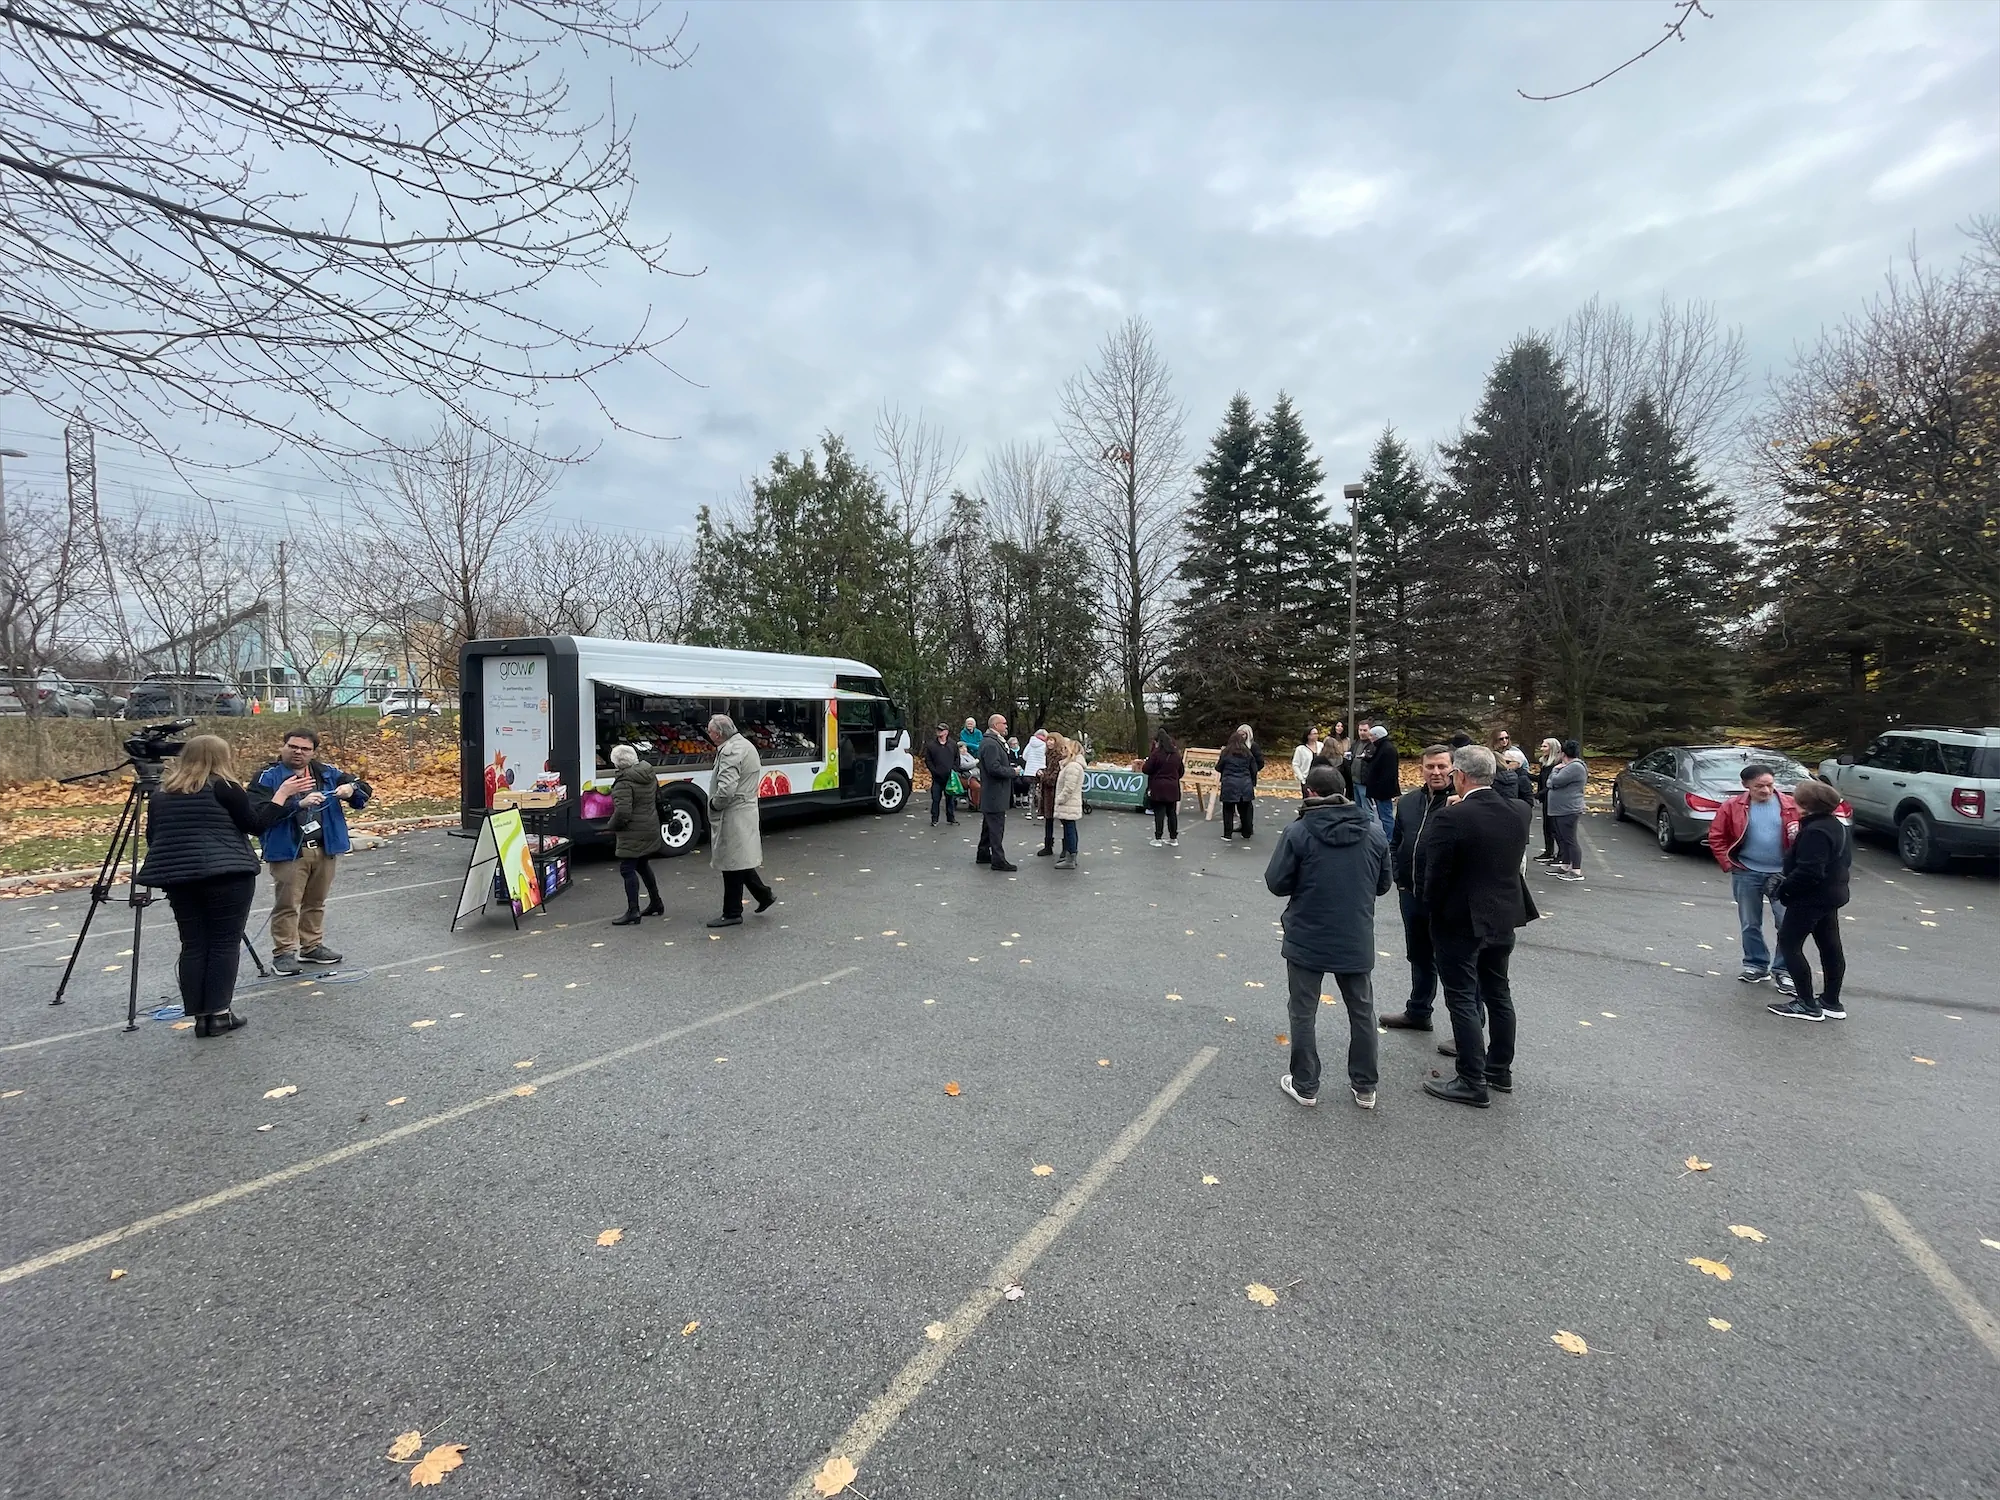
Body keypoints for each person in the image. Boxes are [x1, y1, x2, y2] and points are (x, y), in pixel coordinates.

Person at [137, 735, 312, 1037]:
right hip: (227, 874)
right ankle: (219, 1013)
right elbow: (255, 825)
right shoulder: (225, 787)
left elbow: (154, 837)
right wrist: (282, 795)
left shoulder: (163, 793)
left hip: (179, 877)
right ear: (222, 757)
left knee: (193, 944)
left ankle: (200, 1016)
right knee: (223, 943)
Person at [1263, 764, 1392, 1110]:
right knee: (1361, 1011)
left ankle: (1305, 1084)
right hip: (1355, 934)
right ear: (1344, 792)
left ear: (1309, 793)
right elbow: (1383, 885)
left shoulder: (1298, 831)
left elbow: (1277, 882)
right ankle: (1365, 1085)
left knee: (1303, 1011)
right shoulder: (1373, 832)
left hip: (1308, 933)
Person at [1419, 745, 1536, 1107]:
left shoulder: (1450, 818)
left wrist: (1430, 910)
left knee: (1462, 997)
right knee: (1498, 992)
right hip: (1503, 916)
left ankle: (1471, 1079)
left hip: (1460, 919)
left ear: (1461, 776)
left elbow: (1435, 875)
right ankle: (1499, 1069)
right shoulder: (1519, 811)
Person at [248, 727, 372, 975]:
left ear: (313, 752)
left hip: (325, 847)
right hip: (288, 851)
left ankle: (311, 946)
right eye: (293, 747)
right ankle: (284, 953)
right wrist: (297, 803)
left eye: (305, 749)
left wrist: (351, 790)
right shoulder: (267, 777)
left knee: (316, 901)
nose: (298, 752)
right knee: (287, 904)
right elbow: (258, 815)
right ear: (283, 747)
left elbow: (363, 788)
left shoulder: (326, 772)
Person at [1707, 762, 1801, 995]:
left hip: (1783, 874)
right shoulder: (1732, 806)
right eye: (1759, 786)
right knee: (1750, 922)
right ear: (1746, 785)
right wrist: (1729, 864)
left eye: (1770, 785)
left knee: (1787, 923)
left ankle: (1784, 970)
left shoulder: (1790, 805)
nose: (1766, 790)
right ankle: (1756, 965)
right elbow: (1717, 836)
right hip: (1747, 871)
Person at [1380, 745, 1455, 1032]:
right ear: (1421, 769)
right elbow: (1396, 841)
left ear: (1453, 769)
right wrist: (1398, 877)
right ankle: (1419, 1011)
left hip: (1446, 899)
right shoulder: (1409, 802)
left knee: (1454, 963)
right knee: (1419, 956)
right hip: (1411, 893)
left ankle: (1467, 1033)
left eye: (1442, 766)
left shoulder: (1460, 804)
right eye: (1430, 767)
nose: (1436, 772)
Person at [1768, 778, 1851, 1022]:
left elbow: (1810, 871)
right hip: (1832, 894)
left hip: (1811, 897)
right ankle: (1831, 1001)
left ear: (1804, 805)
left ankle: (1806, 1003)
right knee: (1830, 946)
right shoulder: (1836, 825)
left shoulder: (1815, 831)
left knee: (1789, 943)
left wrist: (1785, 889)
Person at [704, 714, 775, 927]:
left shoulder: (730, 751)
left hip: (733, 813)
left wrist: (714, 804)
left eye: (710, 731)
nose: (708, 734)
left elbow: (726, 789)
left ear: (718, 734)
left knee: (731, 863)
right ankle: (763, 894)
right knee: (739, 858)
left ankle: (732, 912)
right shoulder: (745, 745)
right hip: (745, 810)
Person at [606, 744, 665, 926]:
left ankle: (633, 911)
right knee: (642, 864)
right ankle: (656, 902)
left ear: (617, 763)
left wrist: (611, 826)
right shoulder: (648, 773)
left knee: (627, 869)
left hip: (633, 831)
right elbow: (657, 797)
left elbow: (623, 813)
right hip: (650, 826)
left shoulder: (623, 783)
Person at [975, 712, 1018, 871]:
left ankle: (983, 853)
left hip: (993, 793)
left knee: (989, 825)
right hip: (994, 793)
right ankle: (998, 860)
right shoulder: (991, 744)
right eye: (1004, 723)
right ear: (995, 725)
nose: (1006, 726)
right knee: (996, 828)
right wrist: (1012, 772)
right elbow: (993, 768)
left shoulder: (993, 742)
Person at [1543, 740, 1587, 881]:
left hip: (1568, 809)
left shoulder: (1574, 767)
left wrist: (1555, 770)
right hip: (1561, 809)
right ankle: (1565, 865)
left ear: (1563, 753)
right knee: (1563, 838)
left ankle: (1576, 870)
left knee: (1569, 839)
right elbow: (1551, 783)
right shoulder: (1569, 767)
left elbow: (1553, 782)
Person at [1141, 728, 1185, 848]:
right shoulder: (1176, 755)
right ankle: (1173, 838)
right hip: (1173, 787)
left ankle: (1158, 838)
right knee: (1172, 813)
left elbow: (1146, 769)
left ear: (1158, 742)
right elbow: (1181, 771)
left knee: (1159, 813)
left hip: (1158, 787)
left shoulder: (1156, 754)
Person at [1218, 725, 1262, 840]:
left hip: (1229, 784)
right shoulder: (1248, 753)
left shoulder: (1226, 752)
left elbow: (1219, 767)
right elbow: (1254, 768)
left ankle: (1227, 834)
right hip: (1245, 783)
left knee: (1228, 809)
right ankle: (1246, 832)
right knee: (1245, 809)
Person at [1052, 733, 1085, 870]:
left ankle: (1071, 857)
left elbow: (1069, 788)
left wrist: (1059, 799)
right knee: (1069, 829)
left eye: (1065, 748)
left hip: (1068, 803)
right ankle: (1070, 856)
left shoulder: (1073, 767)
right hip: (1069, 804)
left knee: (1069, 830)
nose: (1062, 750)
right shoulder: (1071, 765)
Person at [1362, 723, 1400, 843]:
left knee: (1386, 816)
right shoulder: (1383, 747)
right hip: (1381, 789)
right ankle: (1388, 837)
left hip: (1383, 790)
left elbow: (1388, 772)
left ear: (1377, 736)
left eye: (1371, 736)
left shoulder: (1387, 749)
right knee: (1384, 815)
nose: (1370, 738)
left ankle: (1390, 839)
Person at [922, 723, 960, 827]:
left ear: (946, 732)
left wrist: (954, 769)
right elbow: (928, 760)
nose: (939, 732)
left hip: (949, 777)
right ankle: (934, 819)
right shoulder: (931, 745)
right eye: (938, 730)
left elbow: (957, 758)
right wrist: (934, 771)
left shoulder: (953, 744)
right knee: (935, 799)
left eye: (941, 730)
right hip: (937, 778)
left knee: (950, 799)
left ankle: (951, 818)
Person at [1024, 730, 1055, 853]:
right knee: (1039, 792)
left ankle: (1029, 811)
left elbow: (1025, 756)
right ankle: (1039, 811)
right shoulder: (1044, 745)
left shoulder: (1030, 743)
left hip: (1029, 770)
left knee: (1030, 792)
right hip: (1040, 769)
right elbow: (1045, 758)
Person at [1533, 737, 1563, 863]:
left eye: (1545, 746)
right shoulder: (1545, 763)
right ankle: (1548, 851)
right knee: (1547, 826)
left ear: (1552, 748)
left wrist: (1538, 794)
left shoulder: (1557, 765)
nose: (1542, 748)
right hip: (1546, 798)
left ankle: (1561, 855)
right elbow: (1541, 780)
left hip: (1554, 799)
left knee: (1555, 827)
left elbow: (1552, 784)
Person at [1290, 727, 1321, 800]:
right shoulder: (1300, 749)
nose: (1316, 735)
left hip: (1320, 778)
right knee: (1308, 800)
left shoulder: (1321, 746)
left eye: (1317, 733)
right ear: (1308, 735)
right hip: (1307, 779)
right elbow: (1295, 764)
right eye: (1314, 734)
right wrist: (1301, 778)